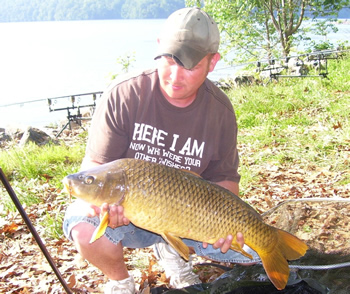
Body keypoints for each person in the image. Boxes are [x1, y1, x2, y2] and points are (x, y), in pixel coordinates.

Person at [63, 7, 259, 294]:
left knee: (254, 256)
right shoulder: (124, 94)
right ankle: (120, 281)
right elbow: (94, 166)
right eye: (169, 60)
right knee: (83, 227)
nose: (175, 75)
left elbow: (226, 181)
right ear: (158, 47)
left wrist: (224, 230)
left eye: (190, 65)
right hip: (127, 211)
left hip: (192, 218)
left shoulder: (220, 111)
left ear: (212, 62)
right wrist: (102, 206)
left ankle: (172, 251)